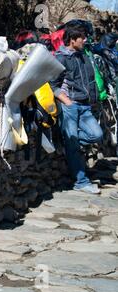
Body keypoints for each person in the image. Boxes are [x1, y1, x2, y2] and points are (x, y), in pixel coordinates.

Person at [50, 26, 104, 194]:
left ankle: (67, 140)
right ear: (72, 40)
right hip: (70, 106)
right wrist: (66, 101)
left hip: (85, 105)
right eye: (82, 37)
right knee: (73, 145)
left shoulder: (83, 57)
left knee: (97, 135)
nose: (85, 40)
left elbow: (90, 82)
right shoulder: (60, 58)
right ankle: (81, 182)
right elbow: (51, 84)